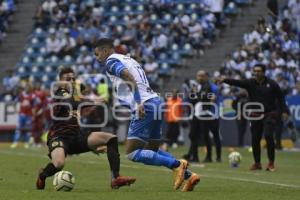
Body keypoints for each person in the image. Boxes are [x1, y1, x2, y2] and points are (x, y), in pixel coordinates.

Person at [94, 38, 200, 192]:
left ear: (105, 50)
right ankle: (190, 176)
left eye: (97, 54)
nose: (97, 59)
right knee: (153, 150)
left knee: (131, 153)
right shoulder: (128, 59)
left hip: (145, 106)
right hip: (156, 102)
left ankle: (178, 165)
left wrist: (138, 103)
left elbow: (128, 77)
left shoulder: (111, 62)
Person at [36, 67, 136, 190]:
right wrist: (93, 101)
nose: (71, 81)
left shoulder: (75, 95)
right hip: (59, 137)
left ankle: (115, 178)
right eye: (68, 79)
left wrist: (92, 146)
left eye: (73, 78)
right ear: (60, 81)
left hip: (76, 137)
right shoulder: (60, 92)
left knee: (111, 138)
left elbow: (75, 111)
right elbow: (71, 103)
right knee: (59, 164)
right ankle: (42, 175)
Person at [217, 64, 289, 171]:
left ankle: (271, 163)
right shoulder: (250, 83)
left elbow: (281, 97)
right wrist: (225, 80)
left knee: (269, 136)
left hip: (269, 114)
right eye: (255, 71)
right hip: (255, 115)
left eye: (259, 71)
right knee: (255, 139)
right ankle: (257, 163)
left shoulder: (272, 84)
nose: (256, 73)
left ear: (264, 72)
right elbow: (238, 82)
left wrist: (285, 111)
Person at [183, 70, 222, 163]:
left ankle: (216, 157)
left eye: (202, 76)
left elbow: (212, 101)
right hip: (198, 114)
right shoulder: (196, 87)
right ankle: (194, 156)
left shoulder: (213, 88)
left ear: (207, 77)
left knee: (212, 135)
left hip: (211, 114)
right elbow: (190, 99)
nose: (199, 78)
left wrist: (198, 95)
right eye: (198, 76)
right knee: (194, 134)